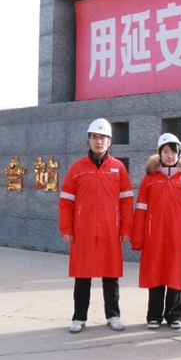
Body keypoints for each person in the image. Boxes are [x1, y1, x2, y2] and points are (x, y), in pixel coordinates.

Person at [58, 118, 134, 334]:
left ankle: (113, 315)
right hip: (83, 231)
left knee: (111, 276)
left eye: (103, 138)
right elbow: (66, 202)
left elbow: (127, 201)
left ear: (110, 141)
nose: (99, 141)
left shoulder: (118, 168)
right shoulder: (77, 169)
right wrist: (66, 229)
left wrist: (126, 228)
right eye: (94, 137)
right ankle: (79, 317)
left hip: (111, 231)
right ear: (88, 140)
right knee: (82, 276)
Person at [132, 133, 181, 330]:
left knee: (175, 274)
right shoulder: (149, 179)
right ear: (159, 154)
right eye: (165, 152)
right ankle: (153, 315)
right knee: (155, 273)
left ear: (179, 154)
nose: (169, 156)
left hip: (179, 237)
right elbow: (141, 210)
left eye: (173, 152)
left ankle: (175, 315)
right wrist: (138, 238)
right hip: (154, 236)